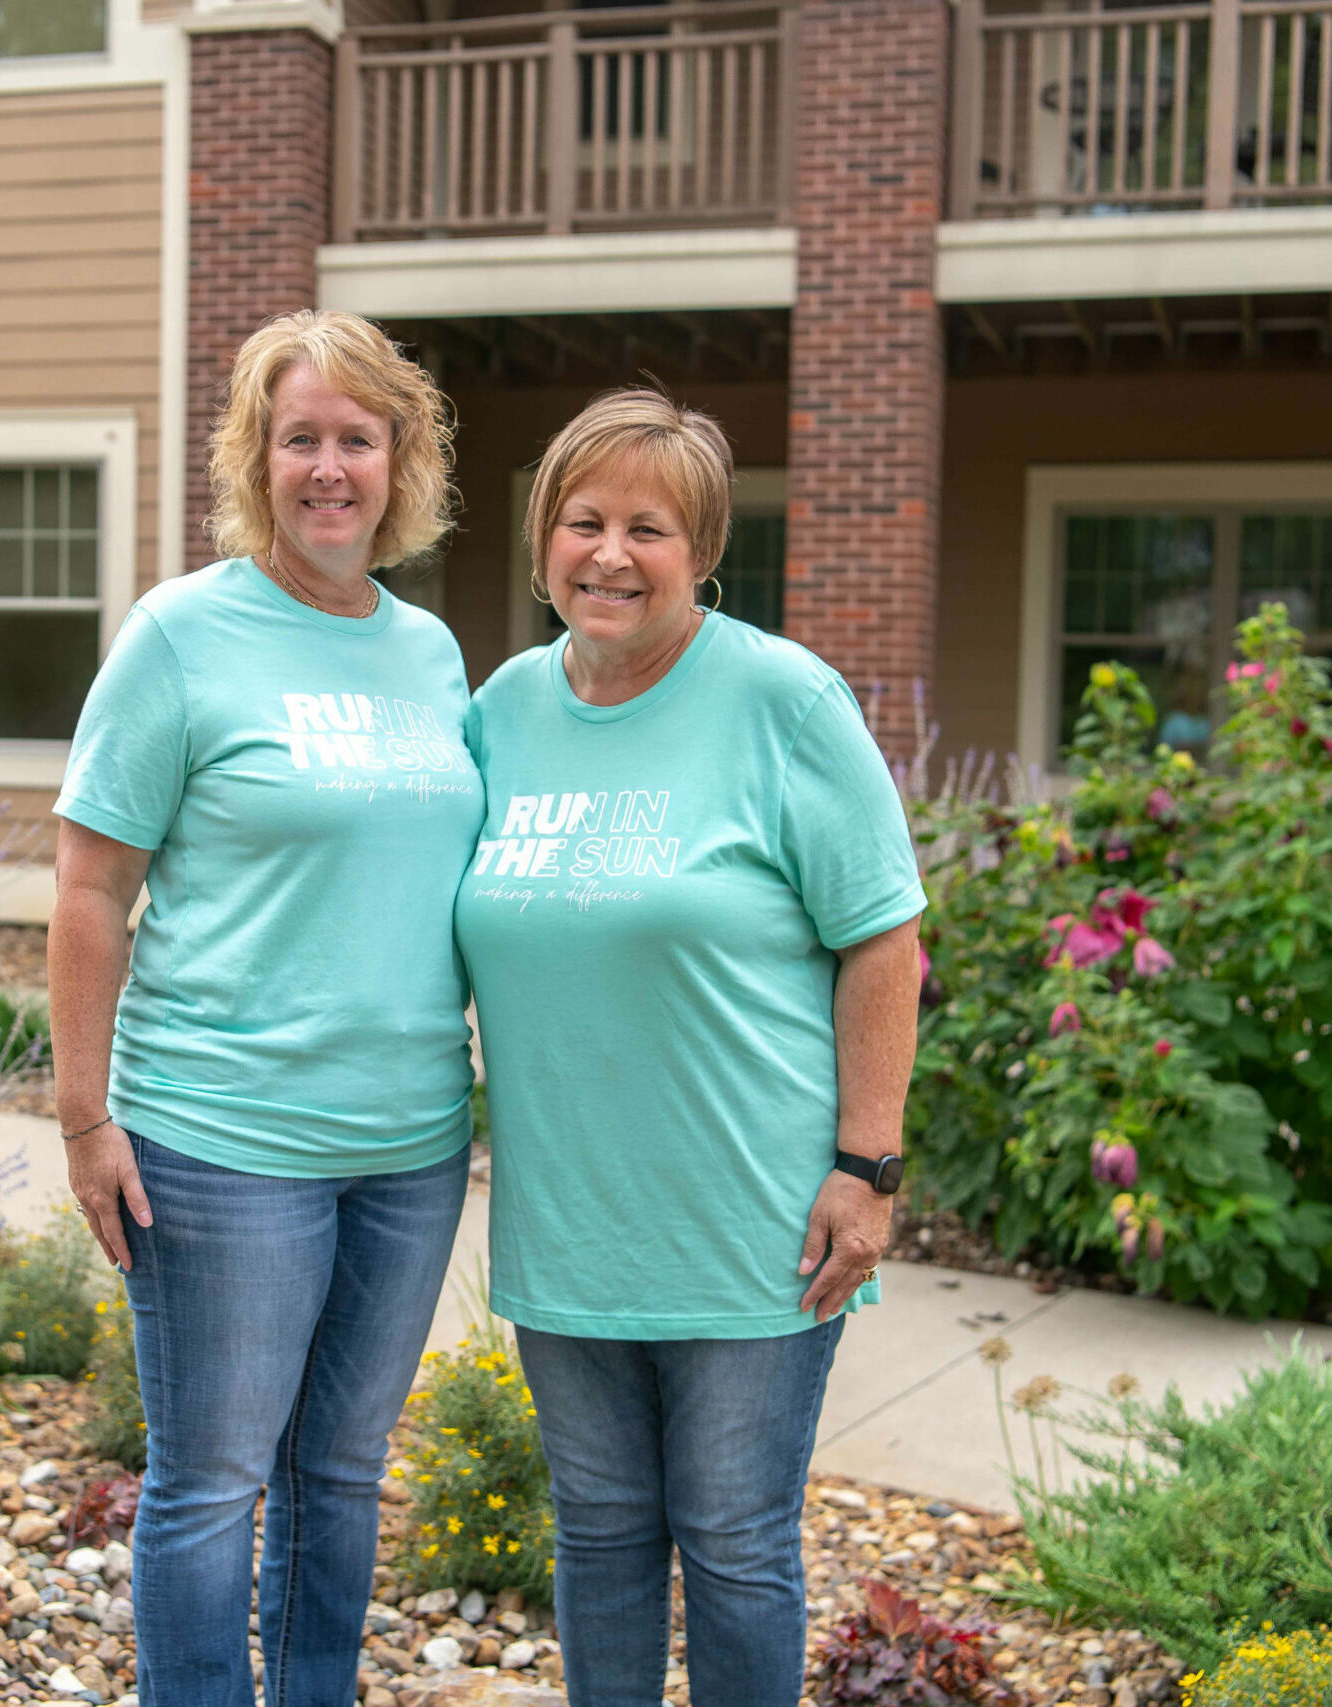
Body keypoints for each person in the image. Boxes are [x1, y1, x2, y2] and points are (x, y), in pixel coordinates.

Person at [454, 389, 926, 1707]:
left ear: (704, 552)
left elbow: (885, 943)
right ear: (544, 537)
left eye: (648, 528)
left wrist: (868, 1168)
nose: (610, 554)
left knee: (730, 1547)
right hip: (568, 1231)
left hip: (754, 1227)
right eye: (583, 520)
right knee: (599, 1539)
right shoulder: (503, 710)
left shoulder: (781, 698)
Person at [47, 309, 484, 1707]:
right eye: (301, 438)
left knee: (344, 1471)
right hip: (219, 1138)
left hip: (409, 1142)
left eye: (359, 437)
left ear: (400, 459)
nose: (331, 468)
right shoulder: (182, 636)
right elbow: (90, 889)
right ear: (258, 457)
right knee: (215, 1479)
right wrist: (81, 1117)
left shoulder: (431, 654)